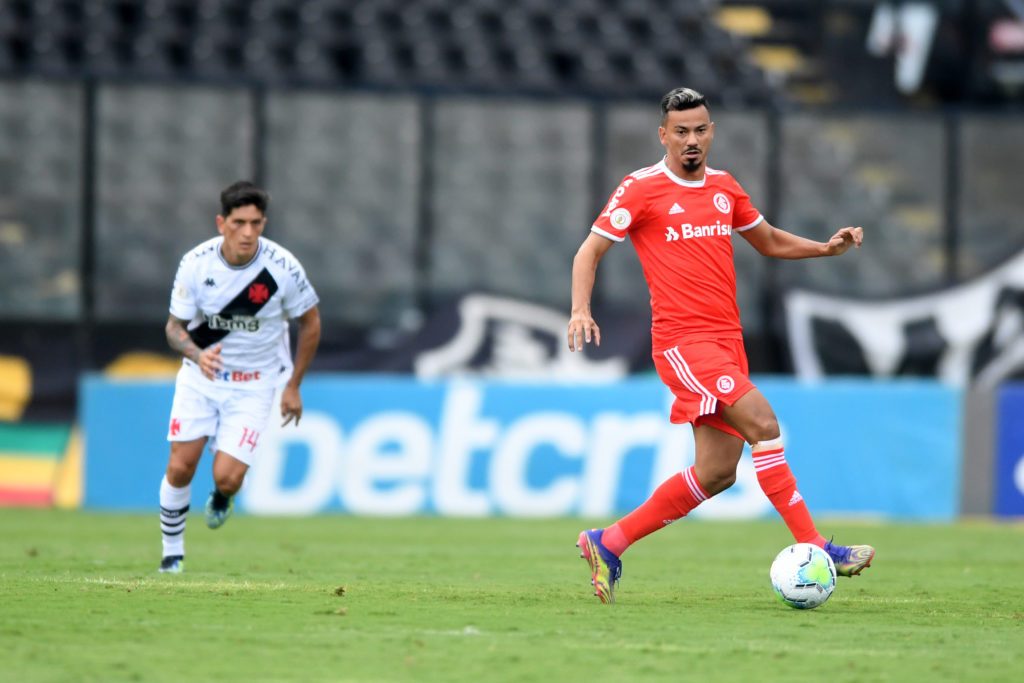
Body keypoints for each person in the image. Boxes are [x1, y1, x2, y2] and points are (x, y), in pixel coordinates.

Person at [568, 87, 874, 603]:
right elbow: (589, 251)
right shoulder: (641, 188)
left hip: (727, 342)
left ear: (711, 132)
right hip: (683, 343)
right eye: (680, 131)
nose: (691, 140)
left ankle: (608, 542)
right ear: (663, 135)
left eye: (700, 130)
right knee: (764, 424)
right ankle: (819, 547)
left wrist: (825, 249)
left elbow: (768, 240)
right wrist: (581, 309)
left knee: (716, 474)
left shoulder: (724, 187)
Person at [158, 180, 321, 573]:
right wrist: (198, 355)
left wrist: (294, 386)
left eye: (256, 223)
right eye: (239, 223)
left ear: (263, 223)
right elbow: (174, 328)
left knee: (227, 479)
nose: (248, 232)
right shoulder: (196, 264)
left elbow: (311, 322)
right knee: (180, 467)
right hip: (201, 377)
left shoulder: (282, 268)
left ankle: (223, 495)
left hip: (254, 384)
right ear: (222, 223)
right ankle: (171, 555)